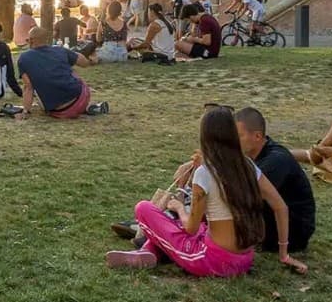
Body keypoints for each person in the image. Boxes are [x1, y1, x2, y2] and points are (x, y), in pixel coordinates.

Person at [107, 107, 307, 275]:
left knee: (144, 208)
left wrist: (179, 208)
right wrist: (284, 254)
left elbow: (190, 229)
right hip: (244, 260)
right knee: (197, 225)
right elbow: (280, 207)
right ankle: (147, 252)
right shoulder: (247, 165)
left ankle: (149, 249)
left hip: (213, 261)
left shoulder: (204, 173)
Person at [15, 27, 108, 119]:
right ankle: (88, 107)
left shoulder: (24, 58)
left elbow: (28, 87)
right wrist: (90, 60)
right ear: (46, 40)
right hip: (80, 99)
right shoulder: (59, 50)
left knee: (39, 88)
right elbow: (83, 63)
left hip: (59, 112)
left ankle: (82, 108)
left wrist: (25, 112)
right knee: (71, 72)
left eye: (27, 40)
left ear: (31, 41)